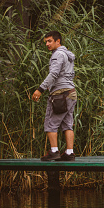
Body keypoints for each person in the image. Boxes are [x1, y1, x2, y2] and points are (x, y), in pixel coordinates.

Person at [32, 31, 77, 161]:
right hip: (71, 92)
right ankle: (69, 152)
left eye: (50, 41)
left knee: (51, 123)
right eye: (46, 41)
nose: (47, 44)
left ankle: (54, 151)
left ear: (58, 41)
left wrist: (40, 89)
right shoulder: (67, 55)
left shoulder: (58, 54)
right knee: (67, 124)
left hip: (60, 93)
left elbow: (53, 74)